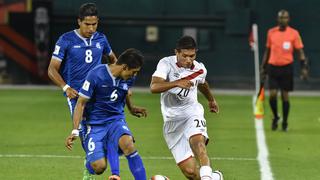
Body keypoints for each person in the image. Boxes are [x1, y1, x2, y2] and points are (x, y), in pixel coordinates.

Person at [47, 3, 118, 179]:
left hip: (100, 96)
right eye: (87, 24)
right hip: (77, 96)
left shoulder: (101, 39)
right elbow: (51, 69)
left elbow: (114, 62)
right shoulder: (66, 40)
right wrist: (66, 87)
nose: (91, 28)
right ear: (79, 21)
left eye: (94, 24)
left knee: (107, 135)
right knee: (88, 141)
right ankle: (89, 167)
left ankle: (96, 164)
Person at [65, 48, 147, 180]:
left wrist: (131, 108)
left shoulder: (128, 78)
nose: (134, 75)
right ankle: (88, 165)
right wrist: (75, 130)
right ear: (125, 67)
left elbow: (124, 91)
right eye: (134, 72)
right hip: (94, 124)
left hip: (116, 119)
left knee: (128, 144)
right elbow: (80, 103)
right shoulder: (96, 75)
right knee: (99, 167)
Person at [150, 36, 223, 180]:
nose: (188, 60)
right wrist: (177, 83)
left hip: (192, 113)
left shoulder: (200, 68)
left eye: (192, 56)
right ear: (176, 52)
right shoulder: (166, 63)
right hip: (172, 121)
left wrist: (211, 100)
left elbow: (202, 83)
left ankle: (208, 177)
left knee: (198, 144)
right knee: (191, 173)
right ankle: (215, 177)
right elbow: (154, 87)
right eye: (184, 56)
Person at [261, 9, 309, 131]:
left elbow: (300, 51)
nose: (283, 20)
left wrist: (304, 67)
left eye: (285, 17)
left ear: (289, 19)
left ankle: (285, 122)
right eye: (281, 18)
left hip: (287, 68)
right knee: (272, 95)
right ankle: (276, 116)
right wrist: (263, 67)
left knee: (285, 96)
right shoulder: (271, 32)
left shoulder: (294, 33)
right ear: (278, 19)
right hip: (273, 67)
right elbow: (268, 50)